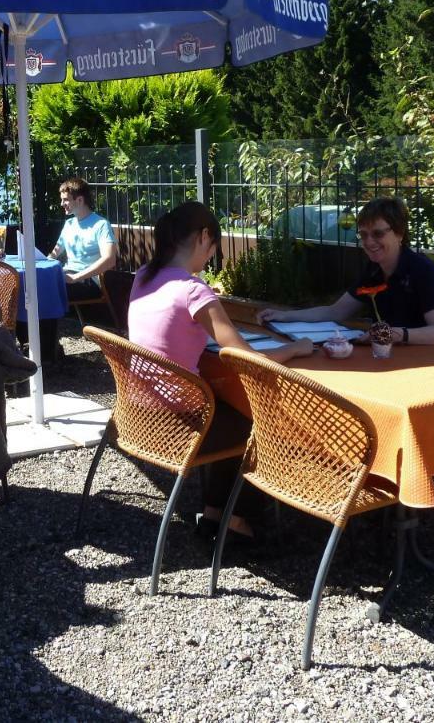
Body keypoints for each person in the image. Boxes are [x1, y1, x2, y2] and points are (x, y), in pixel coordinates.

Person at [127, 202, 315, 542]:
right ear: (204, 237)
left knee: (234, 412)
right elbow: (248, 359)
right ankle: (236, 520)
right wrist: (297, 347)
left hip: (140, 413)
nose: (211, 256)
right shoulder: (193, 289)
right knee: (259, 420)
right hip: (179, 422)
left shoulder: (144, 277)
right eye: (213, 247)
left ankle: (215, 514)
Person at [257, 196, 434, 346]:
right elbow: (336, 311)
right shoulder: (374, 270)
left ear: (399, 233)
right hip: (388, 354)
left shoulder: (422, 271)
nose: (368, 242)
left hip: (427, 361)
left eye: (377, 234)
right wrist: (284, 316)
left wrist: (394, 334)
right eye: (363, 235)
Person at [50, 177, 117, 301]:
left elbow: (110, 259)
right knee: (34, 283)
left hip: (89, 281)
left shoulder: (101, 224)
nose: (61, 204)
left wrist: (76, 278)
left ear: (80, 200)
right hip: (68, 275)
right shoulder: (69, 224)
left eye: (65, 200)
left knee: (47, 289)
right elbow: (53, 255)